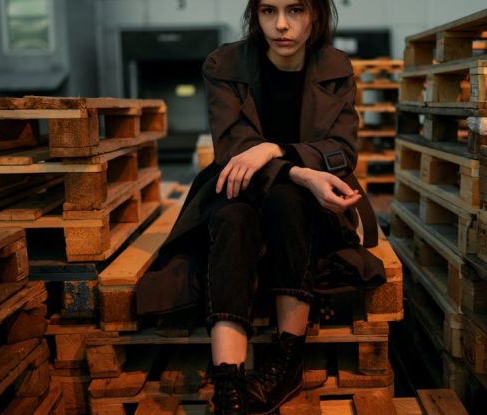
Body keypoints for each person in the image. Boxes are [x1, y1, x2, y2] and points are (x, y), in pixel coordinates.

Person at [136, 1, 383, 414]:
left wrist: (276, 150)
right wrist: (299, 170)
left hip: (308, 205)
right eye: (268, 11)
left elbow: (342, 151)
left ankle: (288, 358)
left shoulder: (335, 67)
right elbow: (232, 147)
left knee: (288, 198)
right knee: (234, 212)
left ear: (316, 16)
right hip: (241, 192)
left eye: (295, 10)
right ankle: (228, 381)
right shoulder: (224, 63)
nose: (281, 25)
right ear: (256, 15)